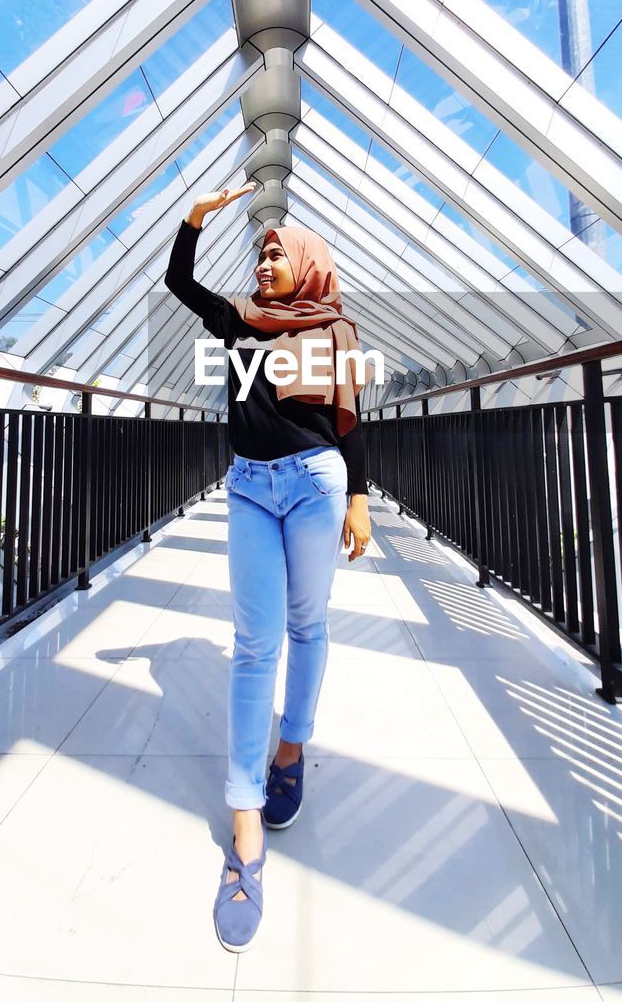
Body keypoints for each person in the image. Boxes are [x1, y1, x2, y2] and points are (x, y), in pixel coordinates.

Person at [163, 181, 372, 952]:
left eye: (279, 250)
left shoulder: (338, 329)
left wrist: (359, 496)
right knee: (256, 645)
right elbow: (179, 283)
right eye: (259, 251)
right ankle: (245, 827)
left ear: (311, 262)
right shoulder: (238, 321)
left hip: (318, 481)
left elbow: (352, 413)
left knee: (307, 625)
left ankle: (293, 746)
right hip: (251, 487)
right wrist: (197, 218)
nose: (266, 257)